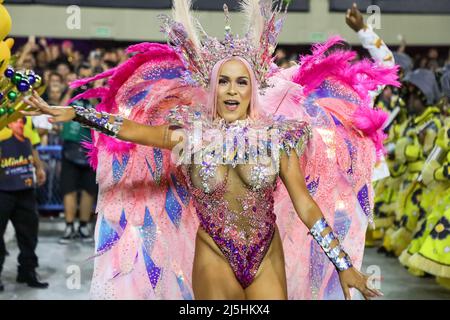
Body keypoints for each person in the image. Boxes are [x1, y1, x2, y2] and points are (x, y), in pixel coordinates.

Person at [24, 0, 397, 300]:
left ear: (253, 89)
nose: (232, 90)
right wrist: (75, 112)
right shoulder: (190, 135)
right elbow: (132, 130)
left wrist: (342, 262)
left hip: (267, 253)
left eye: (241, 82)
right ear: (213, 87)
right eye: (224, 81)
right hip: (214, 253)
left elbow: (304, 204)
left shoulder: (279, 137)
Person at [0, 117, 49, 291]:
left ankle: (27, 271)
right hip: (2, 188)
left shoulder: (26, 117)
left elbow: (32, 145)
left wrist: (39, 167)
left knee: (29, 234)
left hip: (25, 185)